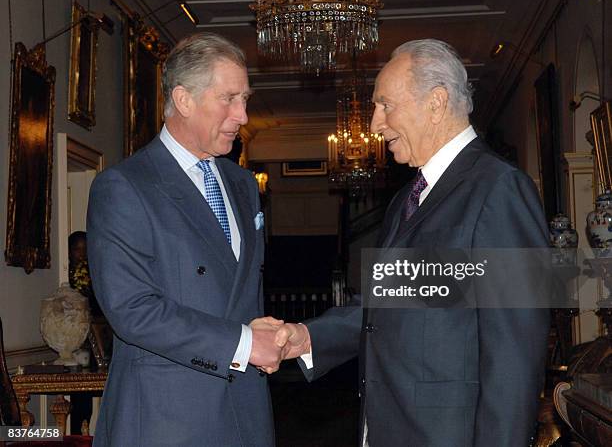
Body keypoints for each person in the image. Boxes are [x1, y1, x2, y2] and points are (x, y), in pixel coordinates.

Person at [274, 39, 551, 446]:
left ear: (436, 103)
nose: (374, 124)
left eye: (385, 105)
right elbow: (386, 302)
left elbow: (514, 359)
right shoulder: (407, 198)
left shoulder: (499, 191)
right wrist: (308, 336)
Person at [87, 32, 283, 447]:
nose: (243, 115)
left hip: (246, 412)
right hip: (166, 420)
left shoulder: (244, 184)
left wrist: (256, 329)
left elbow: (238, 291)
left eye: (244, 98)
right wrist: (245, 342)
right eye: (229, 98)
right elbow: (132, 310)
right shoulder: (125, 186)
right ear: (184, 99)